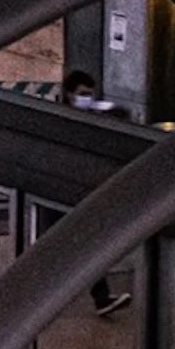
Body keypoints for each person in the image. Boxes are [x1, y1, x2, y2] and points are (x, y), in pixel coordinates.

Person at [52, 70, 134, 317]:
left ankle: (100, 298)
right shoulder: (58, 119)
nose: (88, 99)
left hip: (78, 194)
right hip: (59, 192)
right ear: (69, 95)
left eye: (91, 95)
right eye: (83, 95)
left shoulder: (91, 114)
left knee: (82, 248)